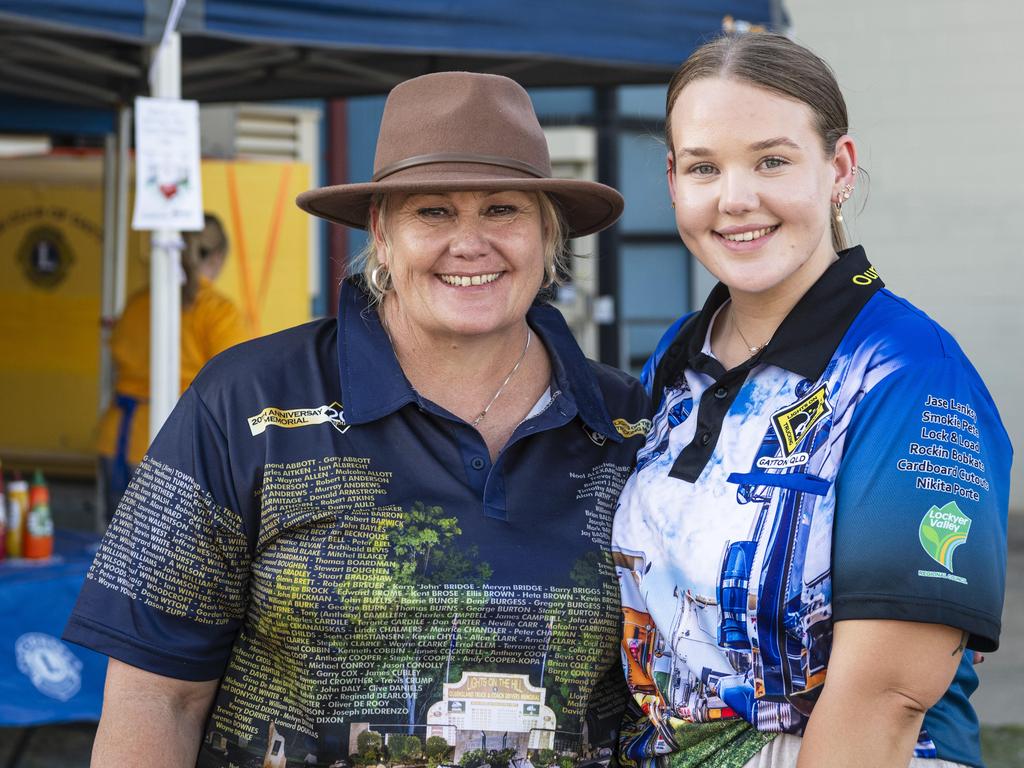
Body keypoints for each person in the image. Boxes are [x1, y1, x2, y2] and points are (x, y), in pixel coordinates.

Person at [66, 72, 651, 768]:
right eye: (433, 212)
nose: (470, 243)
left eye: (502, 210)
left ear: (547, 233)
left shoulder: (635, 427)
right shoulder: (247, 402)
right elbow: (155, 699)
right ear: (381, 231)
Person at [612, 33, 1010, 768]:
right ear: (673, 181)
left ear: (839, 170)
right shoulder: (678, 354)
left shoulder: (908, 374)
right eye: (705, 167)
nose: (736, 199)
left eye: (772, 160)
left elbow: (885, 702)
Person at [95, 213, 249, 515]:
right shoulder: (219, 313)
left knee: (115, 556)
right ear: (217, 257)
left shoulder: (139, 303)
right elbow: (236, 389)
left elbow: (117, 364)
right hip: (177, 449)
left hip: (117, 442)